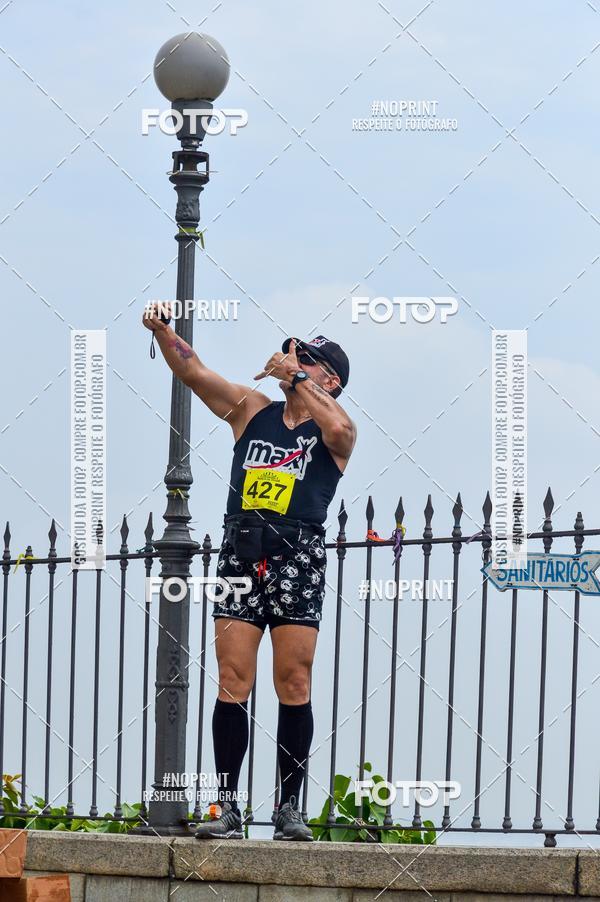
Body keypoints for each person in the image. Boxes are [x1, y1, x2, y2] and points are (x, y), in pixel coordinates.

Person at [143, 305, 356, 840]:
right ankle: (226, 808)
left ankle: (288, 808)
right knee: (233, 679)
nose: (291, 360)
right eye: (292, 354)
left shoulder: (333, 433)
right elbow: (195, 373)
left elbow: (339, 425)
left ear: (330, 379)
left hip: (296, 555)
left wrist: (298, 376)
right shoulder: (252, 410)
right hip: (242, 551)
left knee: (294, 680)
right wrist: (164, 331)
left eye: (307, 359)